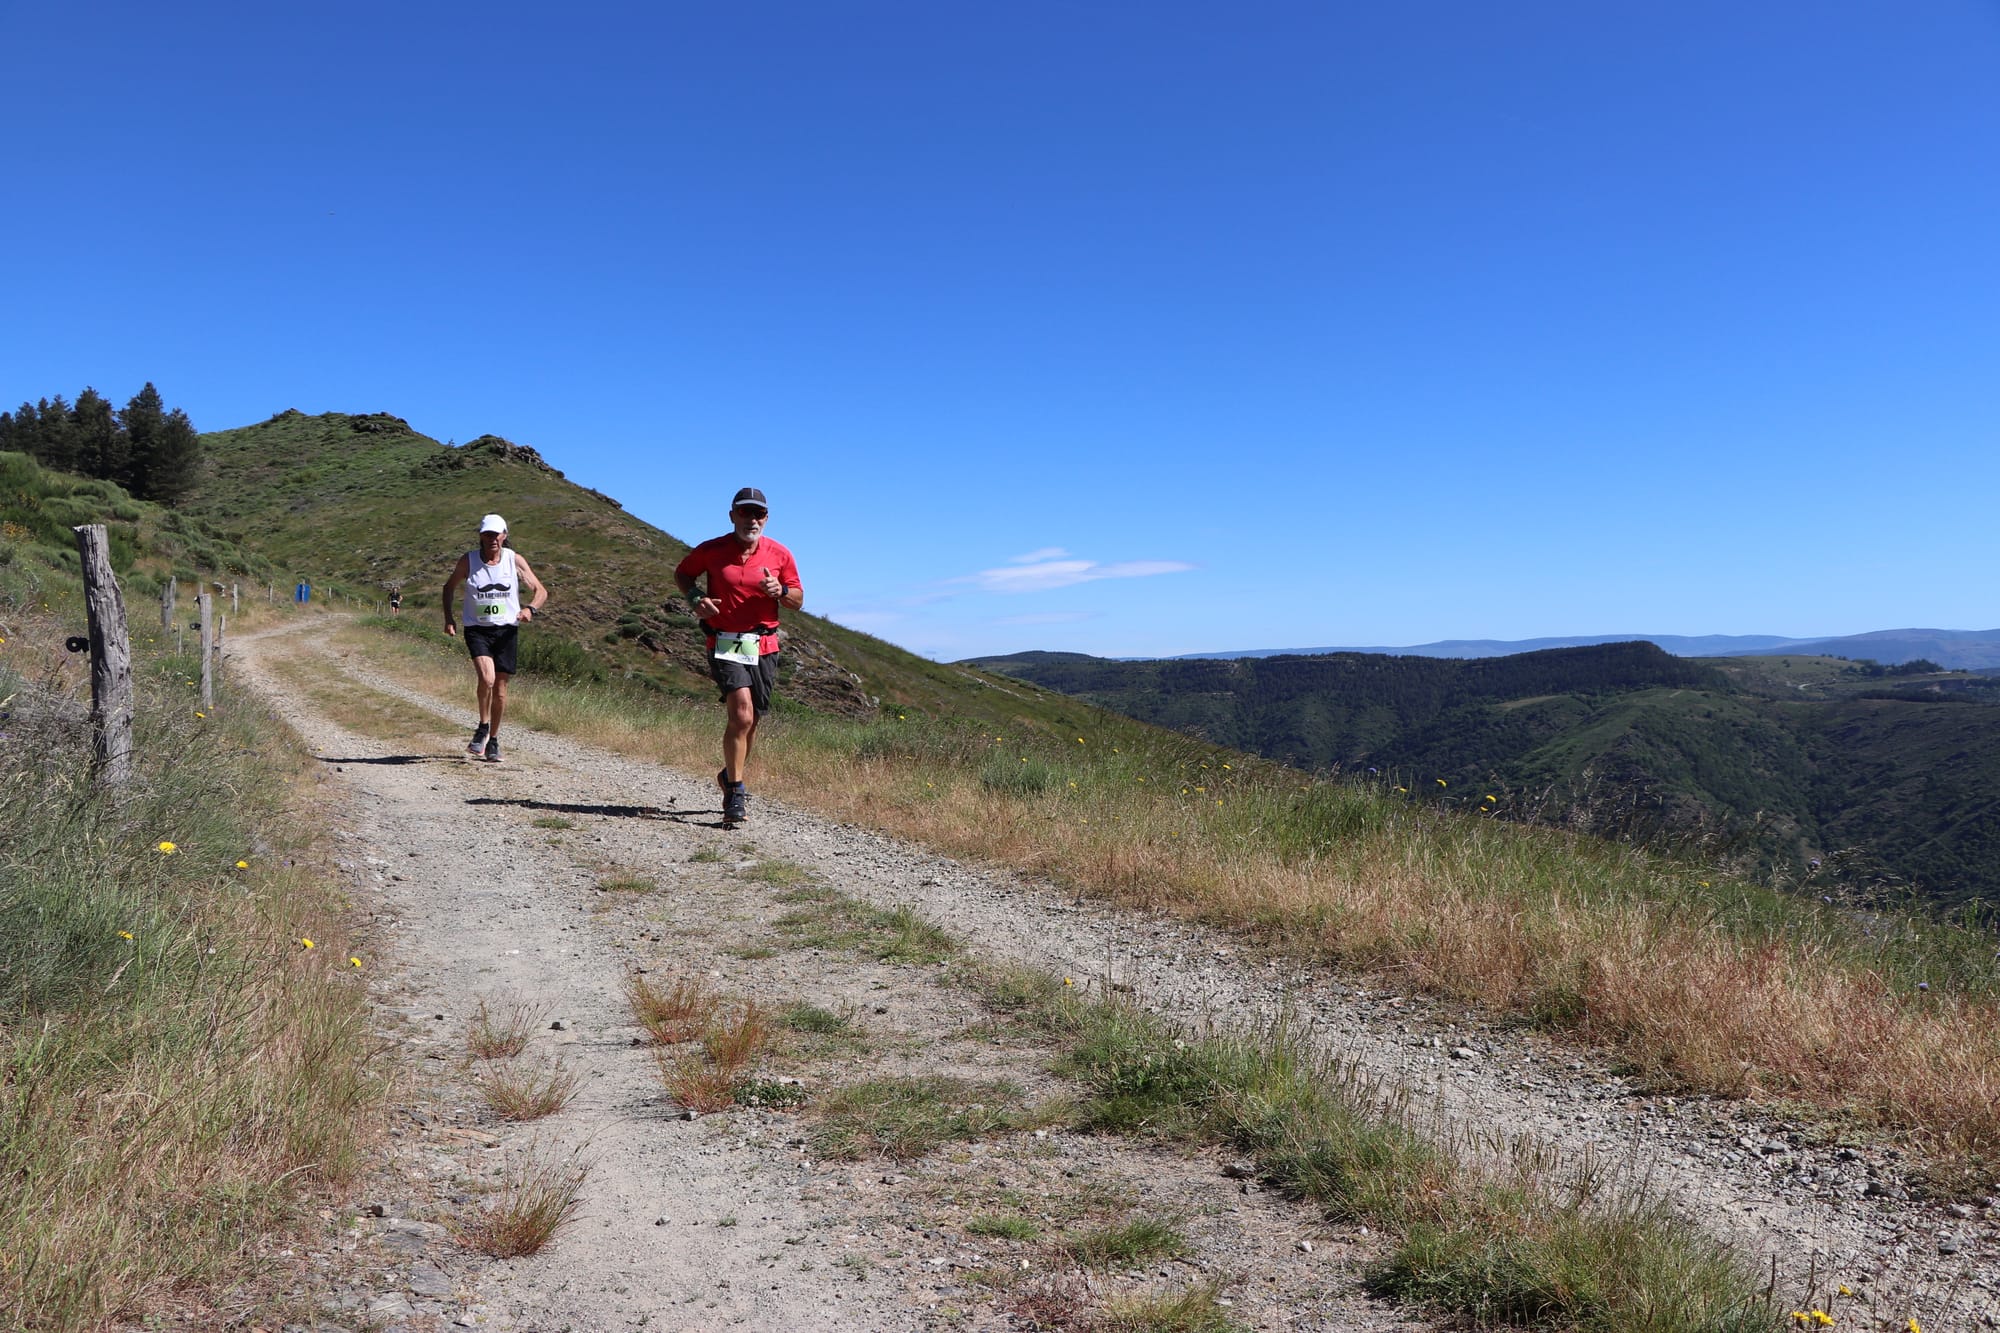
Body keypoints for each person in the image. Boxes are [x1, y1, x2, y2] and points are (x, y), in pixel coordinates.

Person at [673, 487, 802, 826]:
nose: (752, 519)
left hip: (764, 645)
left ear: (767, 518)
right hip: (725, 642)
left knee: (753, 719)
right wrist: (696, 597)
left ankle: (729, 773)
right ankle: (736, 791)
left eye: (758, 514)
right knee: (741, 715)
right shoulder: (712, 550)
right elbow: (682, 574)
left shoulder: (780, 554)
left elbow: (798, 599)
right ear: (732, 516)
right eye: (745, 513)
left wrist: (782, 591)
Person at [442, 513, 548, 763]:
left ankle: (493, 740)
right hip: (477, 629)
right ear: (481, 536)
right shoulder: (468, 561)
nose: (492, 539)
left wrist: (530, 609)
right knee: (487, 678)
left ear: (504, 536)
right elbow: (448, 588)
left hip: (507, 630)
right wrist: (449, 619)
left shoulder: (514, 560)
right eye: (487, 534)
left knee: (500, 690)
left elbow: (541, 590)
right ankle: (483, 725)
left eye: (497, 534)